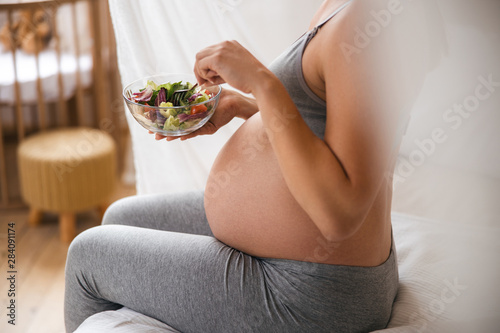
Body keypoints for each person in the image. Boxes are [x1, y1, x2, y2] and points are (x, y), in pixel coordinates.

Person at [65, 0, 444, 332]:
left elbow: (340, 214)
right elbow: (331, 125)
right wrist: (245, 106)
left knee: (87, 256)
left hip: (313, 293)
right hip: (307, 266)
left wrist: (262, 82)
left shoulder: (372, 21)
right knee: (120, 217)